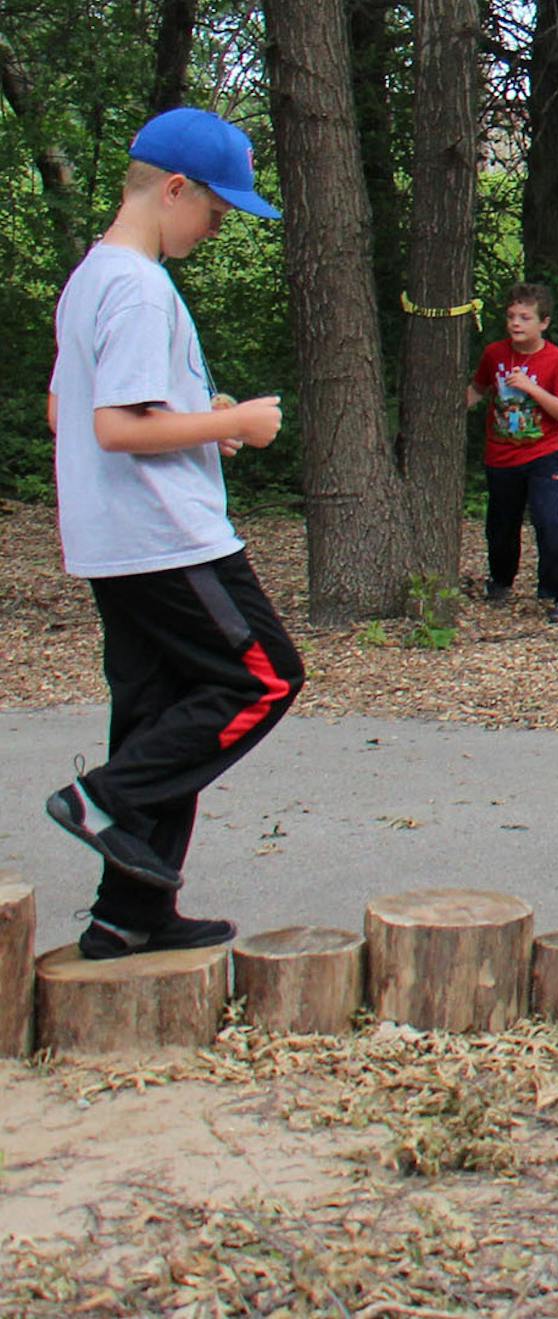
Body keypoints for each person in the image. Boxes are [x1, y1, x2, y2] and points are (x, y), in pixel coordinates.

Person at [42, 107, 304, 959]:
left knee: (162, 709)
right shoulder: (138, 286)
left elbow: (65, 410)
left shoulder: (92, 278)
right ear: (175, 188)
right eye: (217, 211)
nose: (219, 226)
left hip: (114, 538)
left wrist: (207, 420)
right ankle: (105, 800)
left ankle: (128, 913)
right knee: (262, 679)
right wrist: (251, 424)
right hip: (170, 537)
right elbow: (116, 427)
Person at [467, 282, 558, 623]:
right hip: (500, 455)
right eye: (511, 316)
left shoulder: (556, 360)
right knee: (500, 526)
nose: (516, 323)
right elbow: (478, 388)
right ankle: (500, 582)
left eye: (525, 317)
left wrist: (532, 388)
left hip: (542, 454)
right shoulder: (494, 354)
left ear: (543, 323)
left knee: (549, 523)